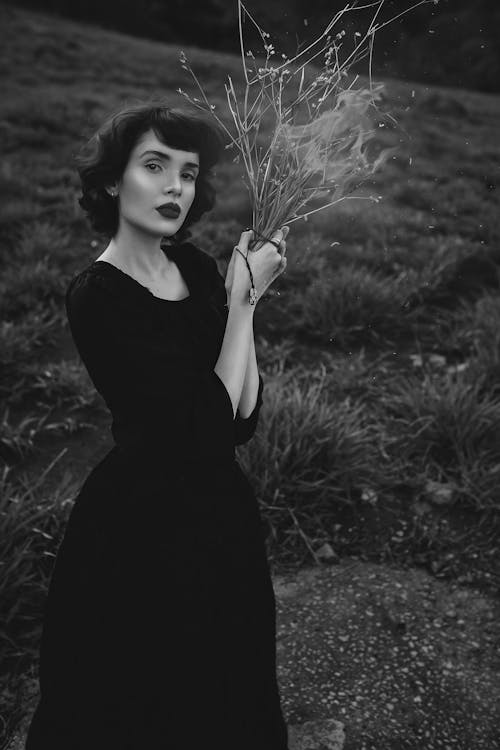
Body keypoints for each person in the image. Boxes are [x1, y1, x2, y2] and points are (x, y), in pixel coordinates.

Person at [24, 101, 290, 750]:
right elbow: (203, 427)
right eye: (155, 165)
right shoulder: (99, 296)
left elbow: (242, 418)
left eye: (190, 173)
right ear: (113, 180)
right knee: (139, 696)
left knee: (227, 684)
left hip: (220, 514)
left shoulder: (196, 267)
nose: (176, 186)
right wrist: (241, 304)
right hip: (140, 525)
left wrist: (242, 309)